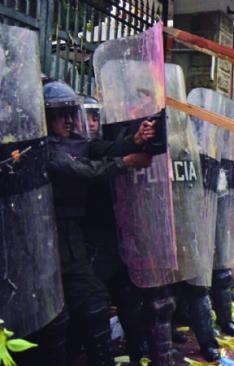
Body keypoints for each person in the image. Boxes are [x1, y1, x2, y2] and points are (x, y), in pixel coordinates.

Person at [44, 80, 154, 365]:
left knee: (92, 304)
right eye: (60, 114)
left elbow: (104, 148)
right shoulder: (45, 148)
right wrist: (125, 163)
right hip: (48, 237)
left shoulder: (75, 142)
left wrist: (136, 140)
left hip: (72, 237)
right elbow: (78, 169)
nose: (69, 120)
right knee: (60, 315)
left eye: (71, 112)